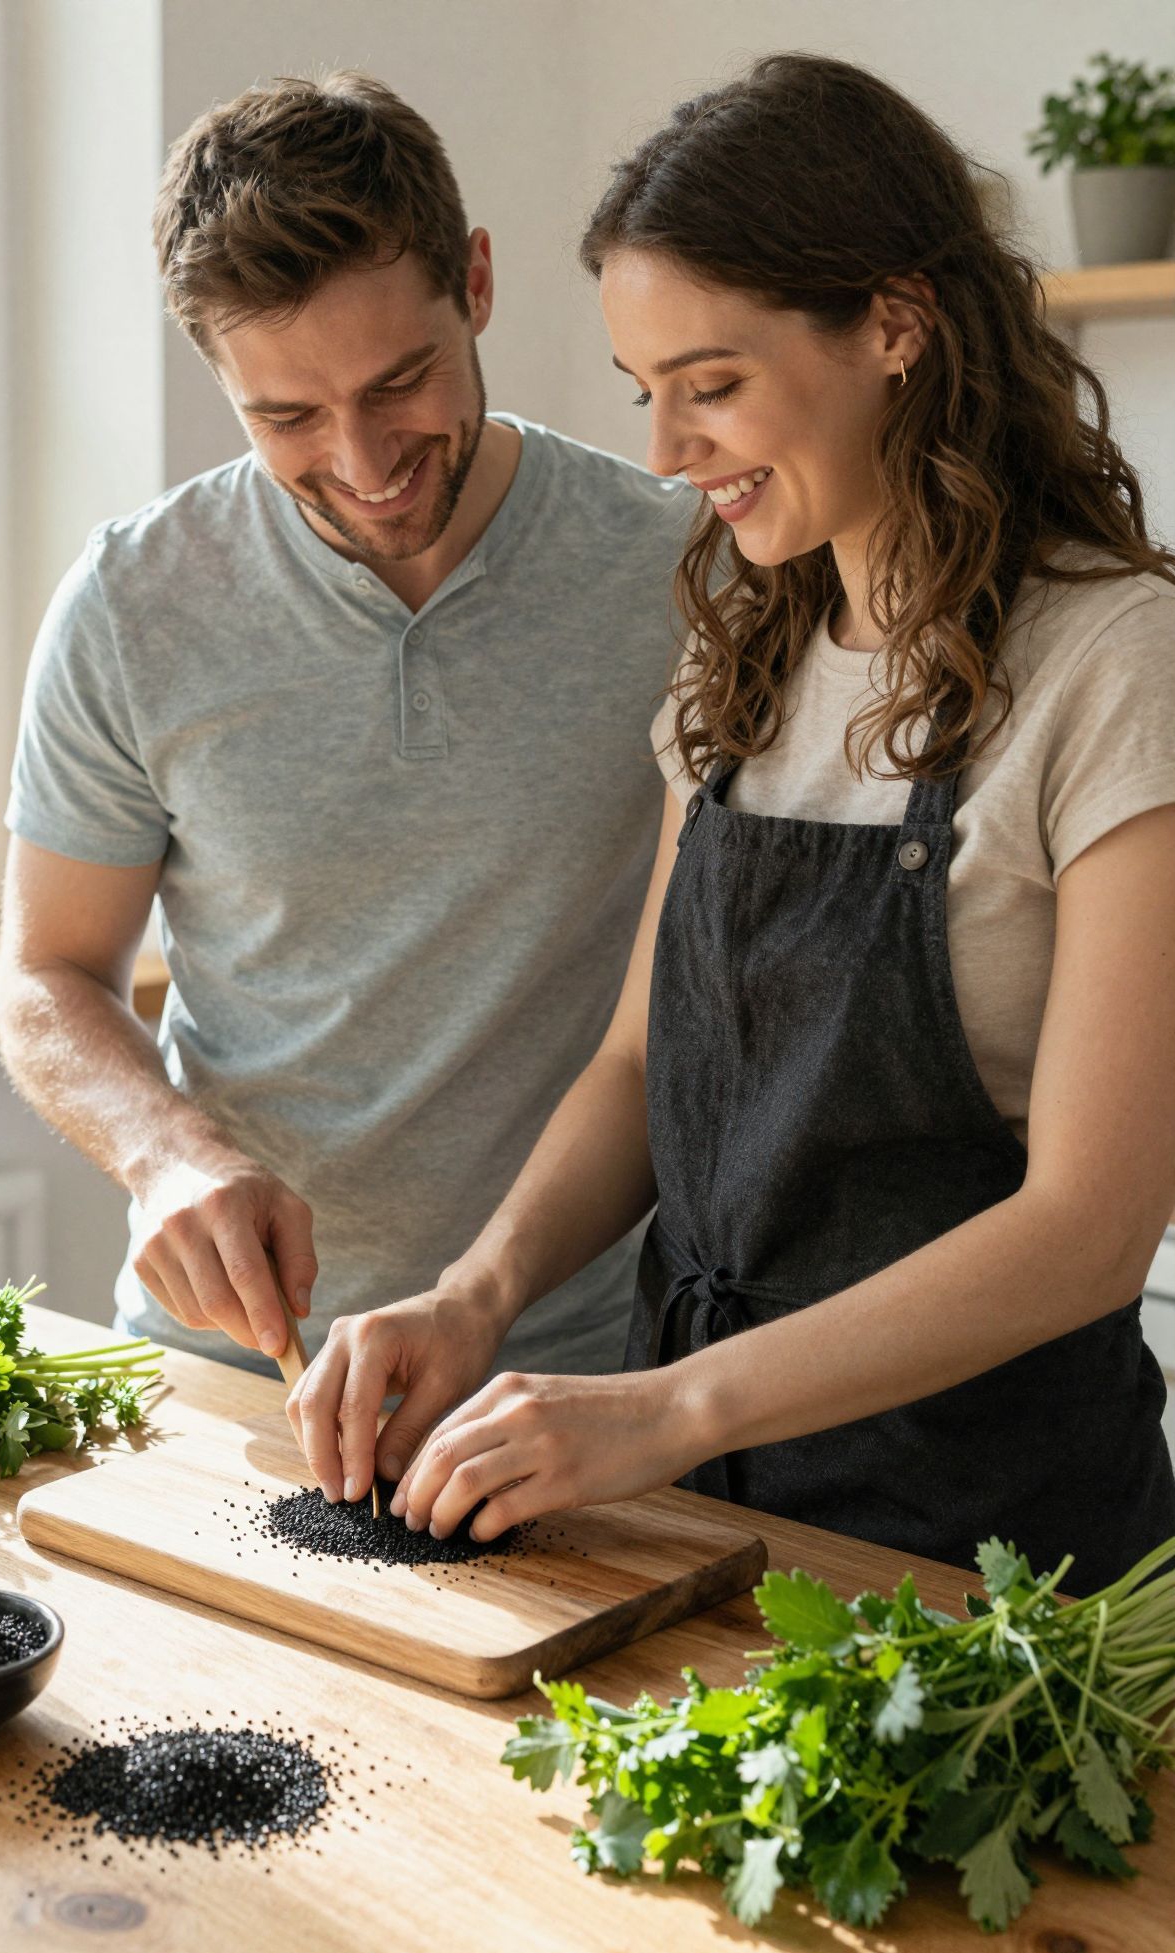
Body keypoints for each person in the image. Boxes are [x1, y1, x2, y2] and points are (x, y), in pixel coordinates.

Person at [294, 54, 1175, 1595]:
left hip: (995, 1565)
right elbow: (647, 1059)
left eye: (713, 385)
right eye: (651, 395)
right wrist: (476, 1294)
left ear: (893, 326)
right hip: (708, 1520)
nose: (667, 452)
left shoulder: (1115, 664)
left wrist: (661, 1408)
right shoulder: (744, 651)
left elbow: (1090, 1231)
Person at [0, 73, 694, 1386]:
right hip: (235, 1366)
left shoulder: (676, 568)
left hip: (581, 1371)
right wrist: (165, 1155)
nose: (367, 462)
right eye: (288, 418)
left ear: (475, 283)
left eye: (404, 381)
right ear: (216, 378)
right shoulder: (132, 601)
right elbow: (48, 976)